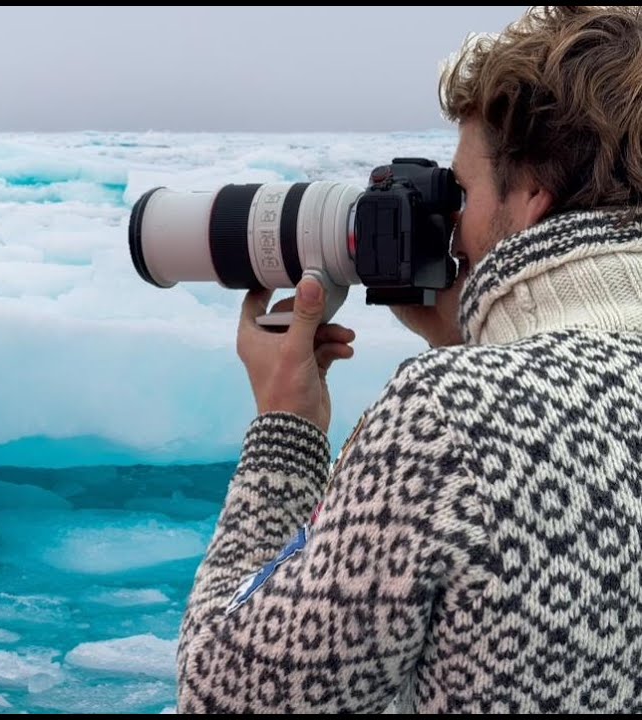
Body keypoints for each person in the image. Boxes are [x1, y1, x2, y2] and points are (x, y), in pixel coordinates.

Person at [177, 6, 642, 713]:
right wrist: (475, 335)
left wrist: (285, 430)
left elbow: (228, 696)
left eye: (463, 193)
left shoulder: (452, 416)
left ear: (532, 199)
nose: (450, 225)